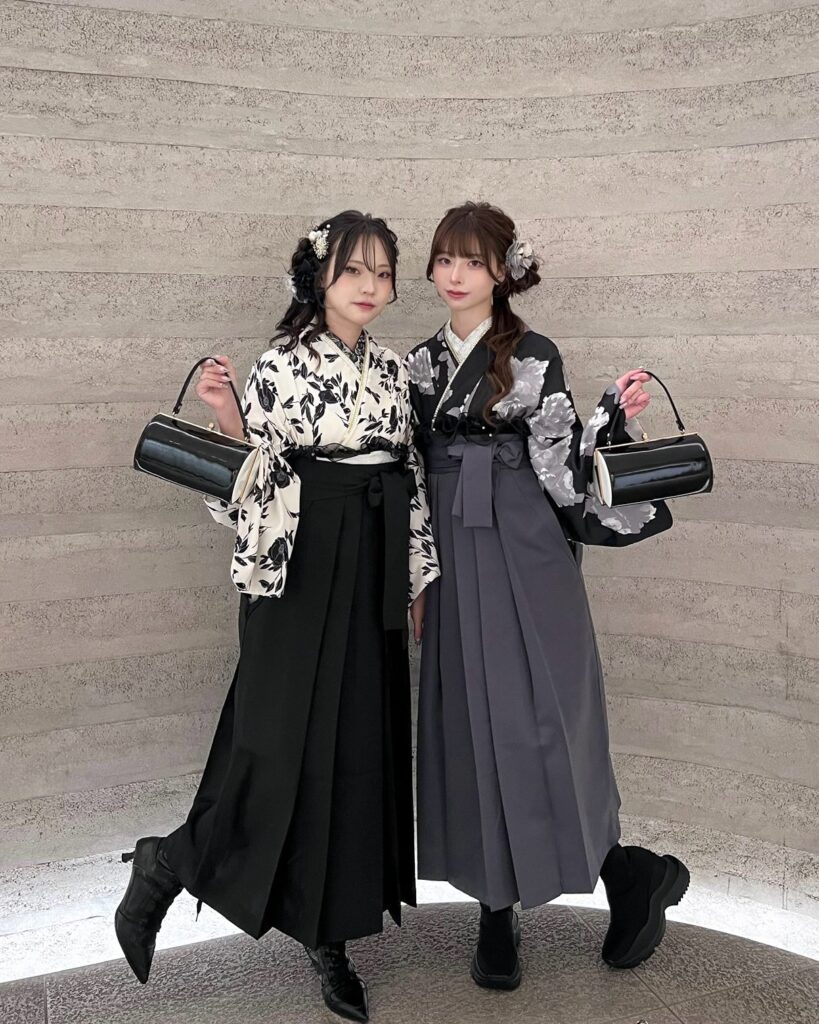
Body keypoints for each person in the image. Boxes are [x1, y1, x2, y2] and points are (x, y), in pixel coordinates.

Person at [114, 211, 439, 1023]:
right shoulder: (279, 364)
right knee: (274, 739)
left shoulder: (393, 369)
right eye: (353, 270)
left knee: (356, 745)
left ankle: (328, 934)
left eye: (382, 273)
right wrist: (229, 419)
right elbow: (249, 480)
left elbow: (410, 476)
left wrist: (417, 578)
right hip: (297, 558)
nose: (370, 287)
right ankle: (170, 862)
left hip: (374, 555)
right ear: (318, 277)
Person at [407, 201, 689, 991]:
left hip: (527, 554)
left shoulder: (534, 355)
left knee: (547, 726)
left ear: (503, 271)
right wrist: (416, 575)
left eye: (472, 260)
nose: (454, 274)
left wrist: (606, 417)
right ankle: (494, 910)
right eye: (443, 259)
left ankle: (625, 873)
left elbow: (561, 470)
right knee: (471, 726)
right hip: (454, 558)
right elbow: (409, 480)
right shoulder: (418, 364)